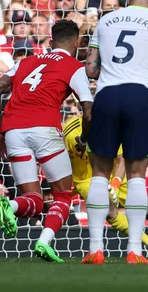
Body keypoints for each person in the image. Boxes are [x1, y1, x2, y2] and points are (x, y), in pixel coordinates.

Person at [82, 0, 148, 265]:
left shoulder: (105, 21)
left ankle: (95, 250)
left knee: (99, 174)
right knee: (137, 175)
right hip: (140, 97)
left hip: (107, 96)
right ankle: (135, 251)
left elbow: (90, 68)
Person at [0, 20, 93, 263]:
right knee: (63, 195)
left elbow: (2, 84)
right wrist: (83, 139)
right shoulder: (75, 67)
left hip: (13, 130)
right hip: (44, 129)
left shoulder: (25, 62)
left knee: (33, 199)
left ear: (50, 42)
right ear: (76, 43)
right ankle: (44, 240)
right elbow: (88, 110)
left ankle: (10, 206)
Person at [62, 115, 148, 258]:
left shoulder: (110, 127)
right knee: (109, 212)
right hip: (86, 179)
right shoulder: (69, 129)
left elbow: (122, 157)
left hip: (112, 173)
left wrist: (115, 183)